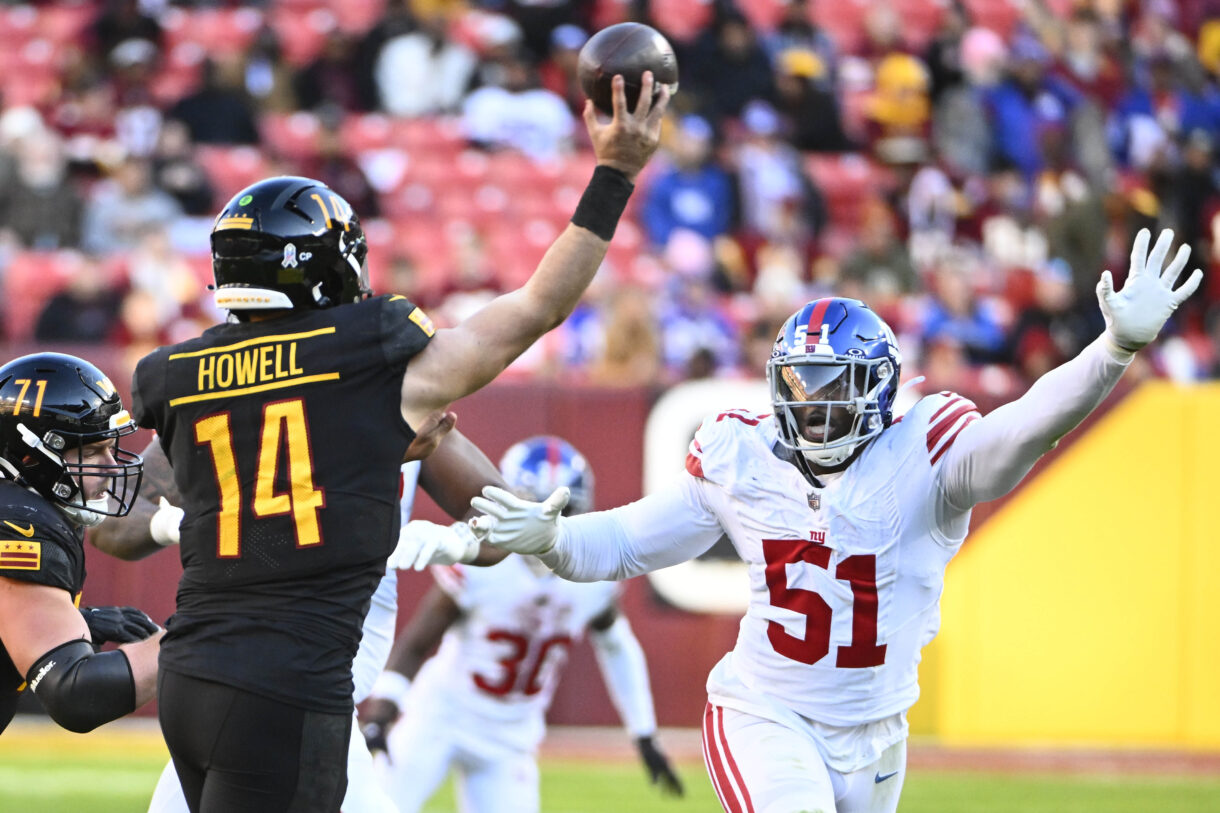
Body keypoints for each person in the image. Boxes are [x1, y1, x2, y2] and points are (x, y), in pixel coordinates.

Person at [454, 228, 1200, 812]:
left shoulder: (927, 454)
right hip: (764, 711)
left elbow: (1025, 429)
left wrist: (1113, 349)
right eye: (799, 384)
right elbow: (622, 542)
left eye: (831, 385)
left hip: (877, 732)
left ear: (876, 387)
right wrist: (553, 539)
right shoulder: (742, 455)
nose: (811, 405)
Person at [128, 73, 668, 812]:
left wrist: (180, 521)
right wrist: (615, 173)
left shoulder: (192, 381)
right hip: (296, 682)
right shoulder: (376, 376)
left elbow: (114, 522)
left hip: (194, 672)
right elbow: (537, 309)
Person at [90, 423, 511, 813]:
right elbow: (110, 516)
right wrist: (172, 523)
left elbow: (510, 518)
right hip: (234, 634)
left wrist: (458, 542)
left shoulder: (397, 397)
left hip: (334, 635)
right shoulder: (224, 391)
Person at [362, 436, 684, 813]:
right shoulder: (483, 566)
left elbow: (618, 646)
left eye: (562, 511)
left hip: (512, 737)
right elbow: (418, 641)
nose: (547, 524)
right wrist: (382, 711)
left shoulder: (592, 580)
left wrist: (643, 733)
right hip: (441, 717)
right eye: (534, 508)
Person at [0, 352, 161, 735]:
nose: (111, 467)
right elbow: (74, 692)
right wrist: (197, 638)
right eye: (90, 452)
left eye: (108, 448)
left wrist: (78, 619)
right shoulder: (19, 523)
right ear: (29, 456)